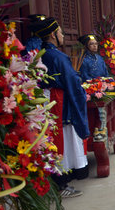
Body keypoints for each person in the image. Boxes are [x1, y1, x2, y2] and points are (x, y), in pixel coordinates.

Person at [30, 15, 88, 199]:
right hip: (59, 102)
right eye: (61, 32)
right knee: (60, 141)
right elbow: (72, 82)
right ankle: (61, 182)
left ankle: (56, 180)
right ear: (53, 35)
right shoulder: (57, 56)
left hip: (44, 102)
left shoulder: (39, 54)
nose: (63, 35)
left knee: (49, 140)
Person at [78, 33, 111, 141]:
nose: (95, 46)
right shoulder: (83, 60)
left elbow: (105, 72)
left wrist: (107, 82)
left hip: (103, 87)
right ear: (86, 46)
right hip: (92, 89)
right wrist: (95, 85)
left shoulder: (99, 58)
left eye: (96, 44)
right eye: (91, 44)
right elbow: (84, 76)